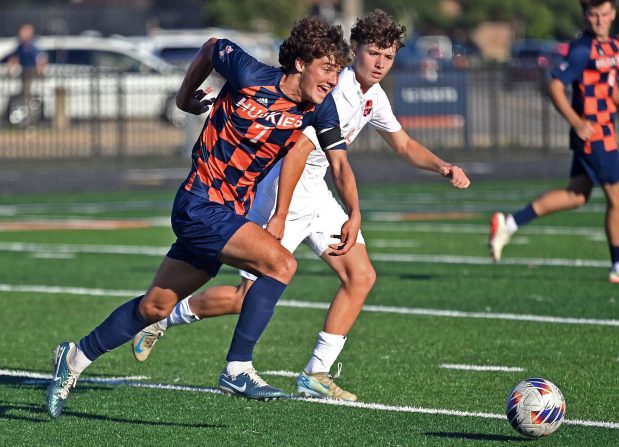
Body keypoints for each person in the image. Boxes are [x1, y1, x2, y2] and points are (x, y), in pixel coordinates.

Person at [131, 10, 470, 402]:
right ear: (354, 50)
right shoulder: (331, 90)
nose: (380, 63)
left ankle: (316, 372)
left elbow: (404, 145)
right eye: (373, 52)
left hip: (319, 197)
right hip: (284, 196)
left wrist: (441, 166)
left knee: (360, 276)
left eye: (389, 56)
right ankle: (163, 318)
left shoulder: (372, 96)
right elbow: (294, 155)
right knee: (246, 298)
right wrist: (278, 215)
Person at [45, 16, 353, 418]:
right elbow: (212, 46)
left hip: (226, 214)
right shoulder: (249, 73)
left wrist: (355, 214)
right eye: (327, 69)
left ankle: (74, 358)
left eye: (337, 72)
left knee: (154, 309)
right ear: (300, 62)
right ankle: (238, 368)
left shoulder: (319, 107)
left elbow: (340, 164)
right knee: (281, 263)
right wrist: (183, 98)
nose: (332, 80)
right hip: (199, 204)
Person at [489, 0, 619, 283]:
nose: (599, 21)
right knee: (617, 198)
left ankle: (509, 224)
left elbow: (609, 88)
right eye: (593, 15)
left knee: (577, 195)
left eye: (604, 14)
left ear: (613, 14)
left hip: (607, 130)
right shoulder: (582, 49)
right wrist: (576, 121)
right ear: (585, 16)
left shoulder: (613, 46)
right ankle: (617, 266)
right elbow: (554, 85)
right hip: (594, 134)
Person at [7, 23, 46, 124]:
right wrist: (10, 69)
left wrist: (40, 72)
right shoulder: (20, 46)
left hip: (31, 74)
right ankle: (26, 120)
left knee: (30, 98)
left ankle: (31, 120)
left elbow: (40, 60)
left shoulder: (33, 46)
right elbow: (14, 58)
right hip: (24, 74)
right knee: (25, 97)